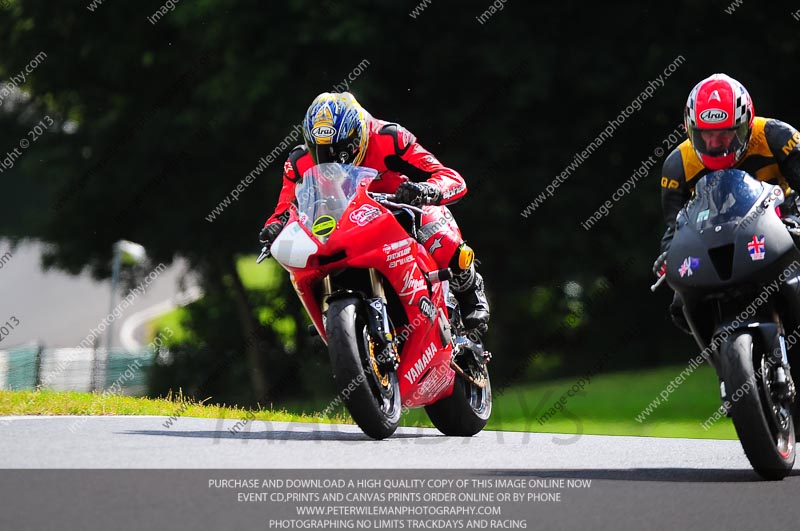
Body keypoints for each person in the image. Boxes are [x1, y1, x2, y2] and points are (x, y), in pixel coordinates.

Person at [259, 92, 490, 334]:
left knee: (436, 229)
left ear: (358, 135)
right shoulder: (298, 162)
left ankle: (470, 289)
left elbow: (450, 178)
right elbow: (284, 208)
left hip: (398, 210)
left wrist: (425, 190)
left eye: (340, 150)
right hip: (342, 224)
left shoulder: (389, 138)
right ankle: (337, 322)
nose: (332, 159)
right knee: (306, 257)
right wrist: (274, 227)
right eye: (321, 151)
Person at [653, 73, 800, 332]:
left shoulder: (778, 137)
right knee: (679, 305)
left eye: (725, 134)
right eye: (705, 135)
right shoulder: (678, 165)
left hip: (782, 229)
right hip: (717, 246)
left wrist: (796, 220)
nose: (714, 144)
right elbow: (674, 227)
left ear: (746, 125)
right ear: (690, 130)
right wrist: (669, 255)